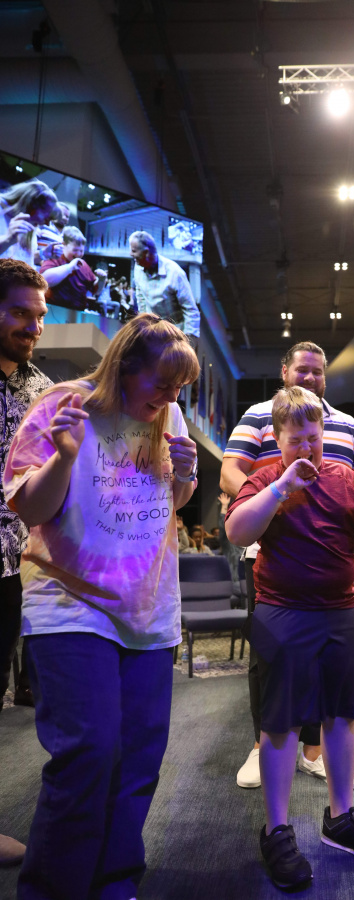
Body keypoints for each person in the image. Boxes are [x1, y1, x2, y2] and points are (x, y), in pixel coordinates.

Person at [4, 312, 199, 900]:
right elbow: (30, 510)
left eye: (179, 388)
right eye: (161, 384)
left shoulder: (167, 414)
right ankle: (53, 890)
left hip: (149, 608)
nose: (170, 398)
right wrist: (64, 458)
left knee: (139, 758)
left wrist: (186, 476)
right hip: (69, 603)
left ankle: (115, 882)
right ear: (124, 366)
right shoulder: (63, 404)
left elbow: (170, 501)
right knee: (88, 750)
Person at [225, 386, 354, 888]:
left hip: (340, 612)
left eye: (313, 439)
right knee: (280, 723)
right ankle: (277, 829)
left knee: (341, 716)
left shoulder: (343, 477)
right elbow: (238, 532)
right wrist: (282, 485)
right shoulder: (264, 478)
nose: (306, 448)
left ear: (324, 434)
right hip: (282, 612)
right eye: (295, 440)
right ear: (277, 439)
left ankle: (340, 819)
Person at [220, 340, 354, 790]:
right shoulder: (259, 414)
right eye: (302, 369)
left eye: (317, 370)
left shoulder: (345, 423)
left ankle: (314, 751)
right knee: (270, 658)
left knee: (330, 659)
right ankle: (263, 747)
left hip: (331, 552)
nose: (310, 377)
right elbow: (230, 471)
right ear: (284, 371)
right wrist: (272, 500)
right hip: (272, 544)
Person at [0, 259, 52, 867]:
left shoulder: (42, 388)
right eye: (20, 313)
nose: (33, 327)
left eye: (38, 316)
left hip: (12, 566)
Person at [129, 231, 200, 345]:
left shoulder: (175, 273)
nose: (130, 254)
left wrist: (187, 344)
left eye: (133, 250)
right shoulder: (138, 268)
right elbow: (141, 296)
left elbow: (191, 310)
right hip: (153, 334)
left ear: (146, 252)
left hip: (175, 336)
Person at [40, 226, 107, 312]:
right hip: (54, 310)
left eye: (81, 251)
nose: (78, 254)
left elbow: (95, 291)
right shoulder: (55, 258)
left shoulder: (83, 264)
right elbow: (44, 281)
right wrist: (69, 267)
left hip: (76, 313)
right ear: (64, 245)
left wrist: (101, 280)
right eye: (75, 250)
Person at [0, 180, 58, 266]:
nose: (46, 224)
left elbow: (23, 262)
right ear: (29, 204)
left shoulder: (29, 227)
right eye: (46, 217)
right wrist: (7, 239)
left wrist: (43, 254)